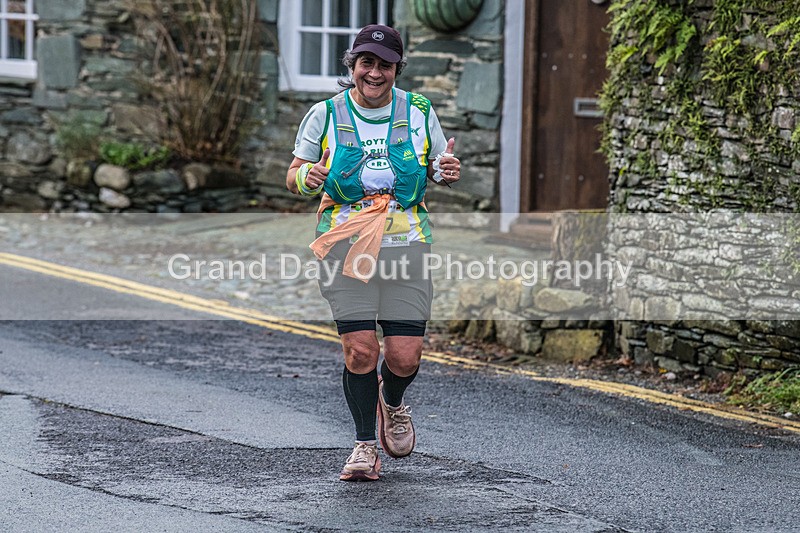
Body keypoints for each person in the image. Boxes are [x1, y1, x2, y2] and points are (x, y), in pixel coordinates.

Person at [286, 24, 461, 481]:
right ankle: (364, 446)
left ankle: (394, 401)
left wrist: (446, 169)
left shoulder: (420, 111)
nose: (375, 73)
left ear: (397, 69)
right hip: (345, 246)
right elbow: (295, 173)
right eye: (367, 63)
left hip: (407, 245)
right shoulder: (325, 113)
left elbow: (439, 167)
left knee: (404, 358)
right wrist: (307, 179)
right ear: (353, 66)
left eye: (385, 65)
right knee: (360, 352)